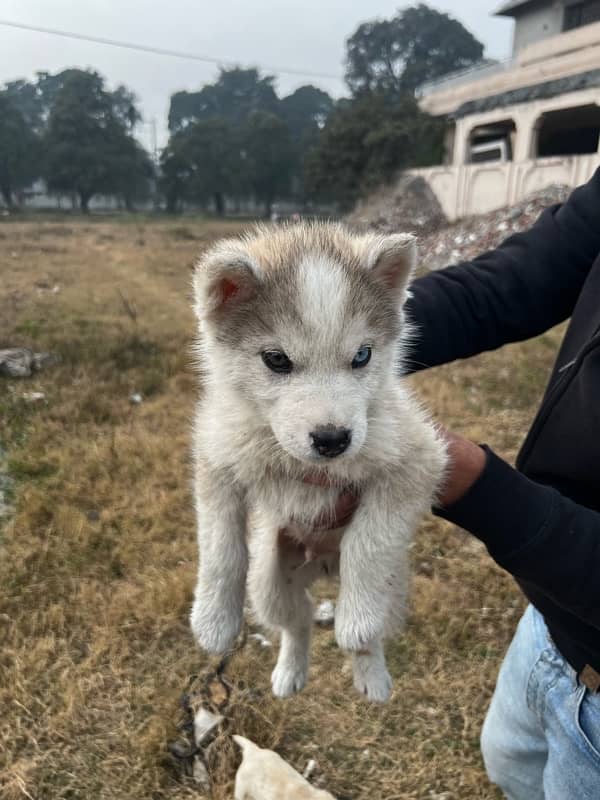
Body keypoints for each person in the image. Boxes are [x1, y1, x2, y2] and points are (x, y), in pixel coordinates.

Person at [287, 167, 600, 799]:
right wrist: (346, 338)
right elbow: (515, 280)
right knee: (510, 768)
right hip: (555, 619)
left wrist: (465, 482)